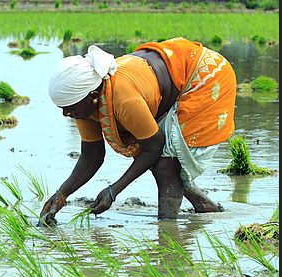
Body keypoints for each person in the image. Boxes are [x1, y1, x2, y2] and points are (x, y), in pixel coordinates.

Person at [40, 37, 236, 225]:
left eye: (70, 107)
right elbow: (92, 155)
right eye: (63, 108)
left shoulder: (122, 98)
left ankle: (168, 232)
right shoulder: (85, 104)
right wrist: (62, 194)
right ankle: (203, 208)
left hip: (203, 76)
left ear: (92, 95)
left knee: (164, 165)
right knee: (162, 163)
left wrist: (113, 190)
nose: (66, 114)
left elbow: (154, 146)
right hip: (171, 72)